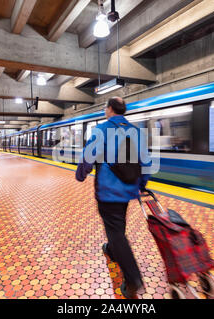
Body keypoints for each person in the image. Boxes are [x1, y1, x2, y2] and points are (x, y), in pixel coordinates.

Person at [76, 97, 150, 299]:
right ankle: (112, 250)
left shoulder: (101, 130)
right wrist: (141, 184)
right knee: (118, 225)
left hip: (108, 191)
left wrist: (81, 174)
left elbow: (88, 156)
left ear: (109, 109)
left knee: (116, 231)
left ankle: (133, 278)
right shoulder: (136, 132)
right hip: (127, 190)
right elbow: (146, 161)